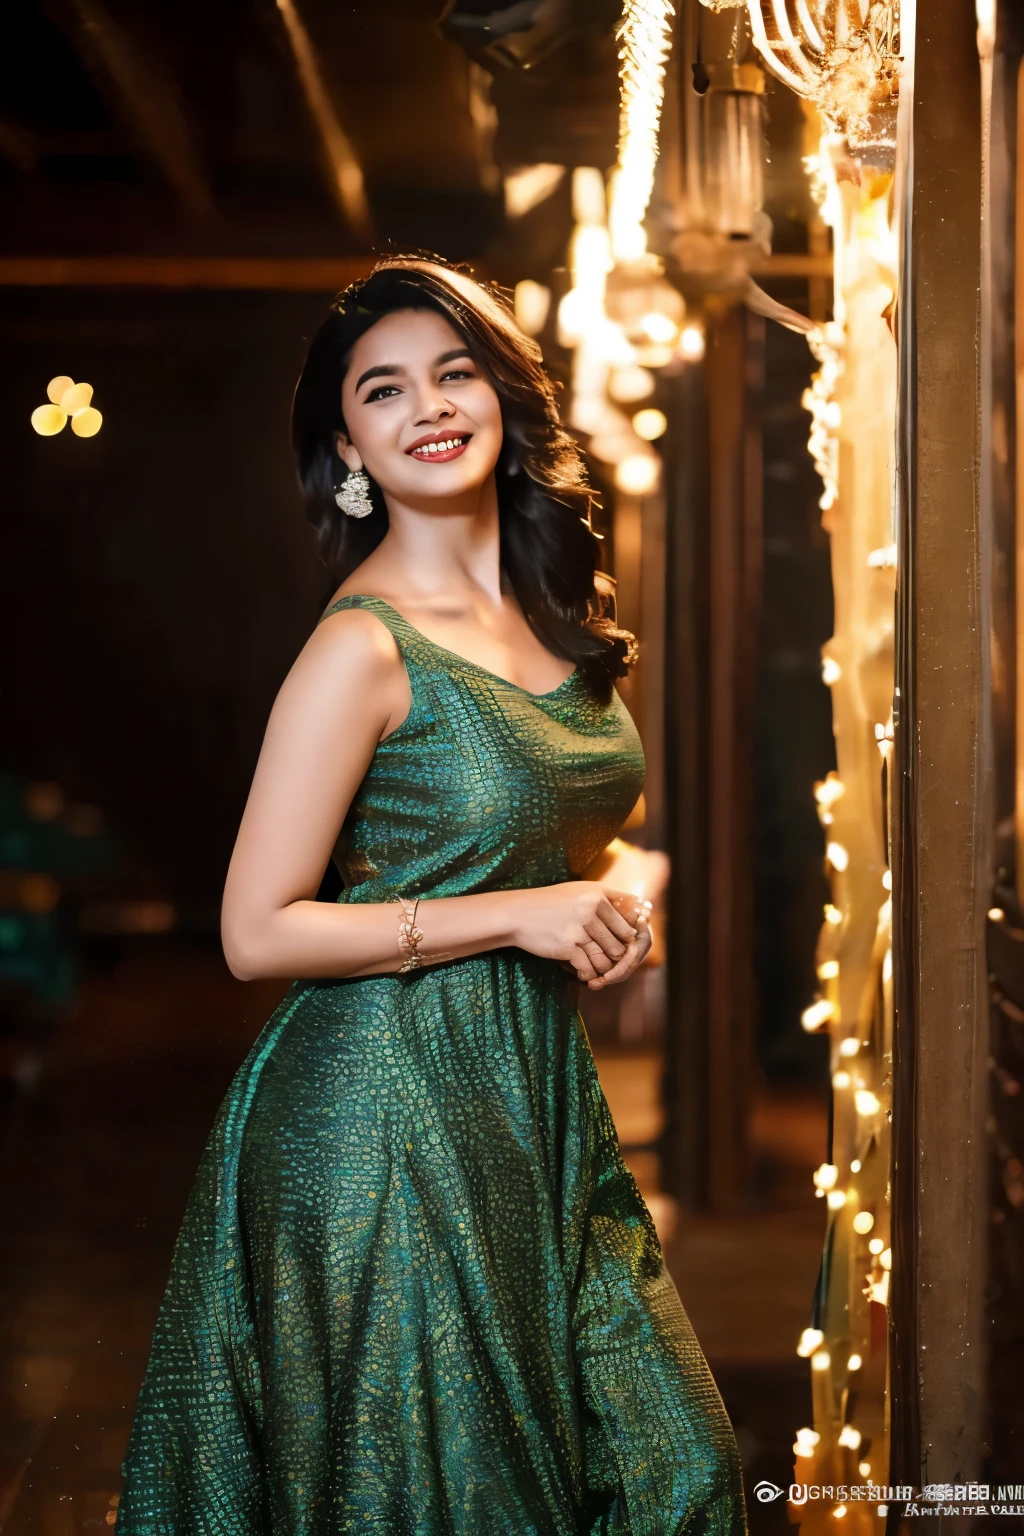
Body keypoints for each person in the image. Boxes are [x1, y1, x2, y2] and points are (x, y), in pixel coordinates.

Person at [116, 256, 748, 1535]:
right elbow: (254, 931)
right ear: (347, 444)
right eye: (384, 390)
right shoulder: (360, 646)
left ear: (501, 397)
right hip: (378, 1122)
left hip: (533, 1103)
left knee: (680, 1474)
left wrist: (615, 887)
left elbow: (530, 835)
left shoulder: (552, 610)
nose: (430, 407)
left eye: (455, 373)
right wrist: (521, 916)